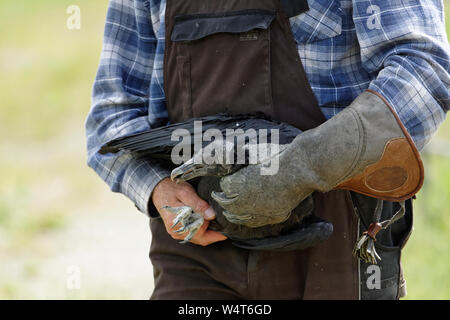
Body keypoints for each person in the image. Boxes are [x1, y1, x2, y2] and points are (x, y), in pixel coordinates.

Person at [86, 0, 449, 299]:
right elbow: (111, 118)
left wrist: (300, 168)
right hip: (199, 253)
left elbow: (425, 71)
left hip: (337, 239)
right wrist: (159, 189)